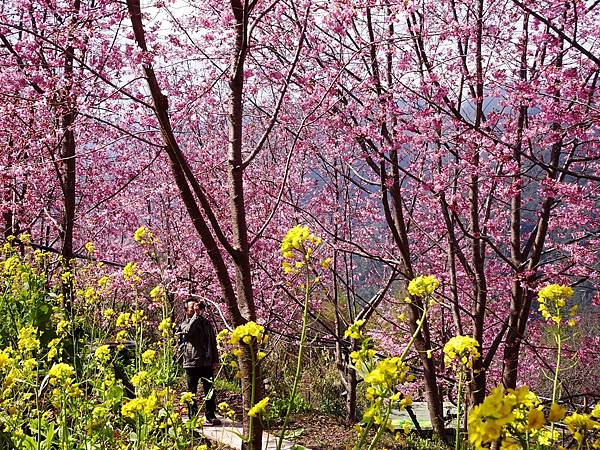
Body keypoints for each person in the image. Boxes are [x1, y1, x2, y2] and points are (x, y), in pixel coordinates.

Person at [178, 299, 221, 425]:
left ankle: (210, 415)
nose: (196, 308)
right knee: (191, 392)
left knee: (210, 390)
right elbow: (188, 332)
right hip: (192, 362)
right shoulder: (184, 323)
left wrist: (215, 359)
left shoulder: (206, 323)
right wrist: (195, 317)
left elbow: (212, 341)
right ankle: (193, 416)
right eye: (192, 307)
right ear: (186, 310)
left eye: (197, 306)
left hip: (206, 362)